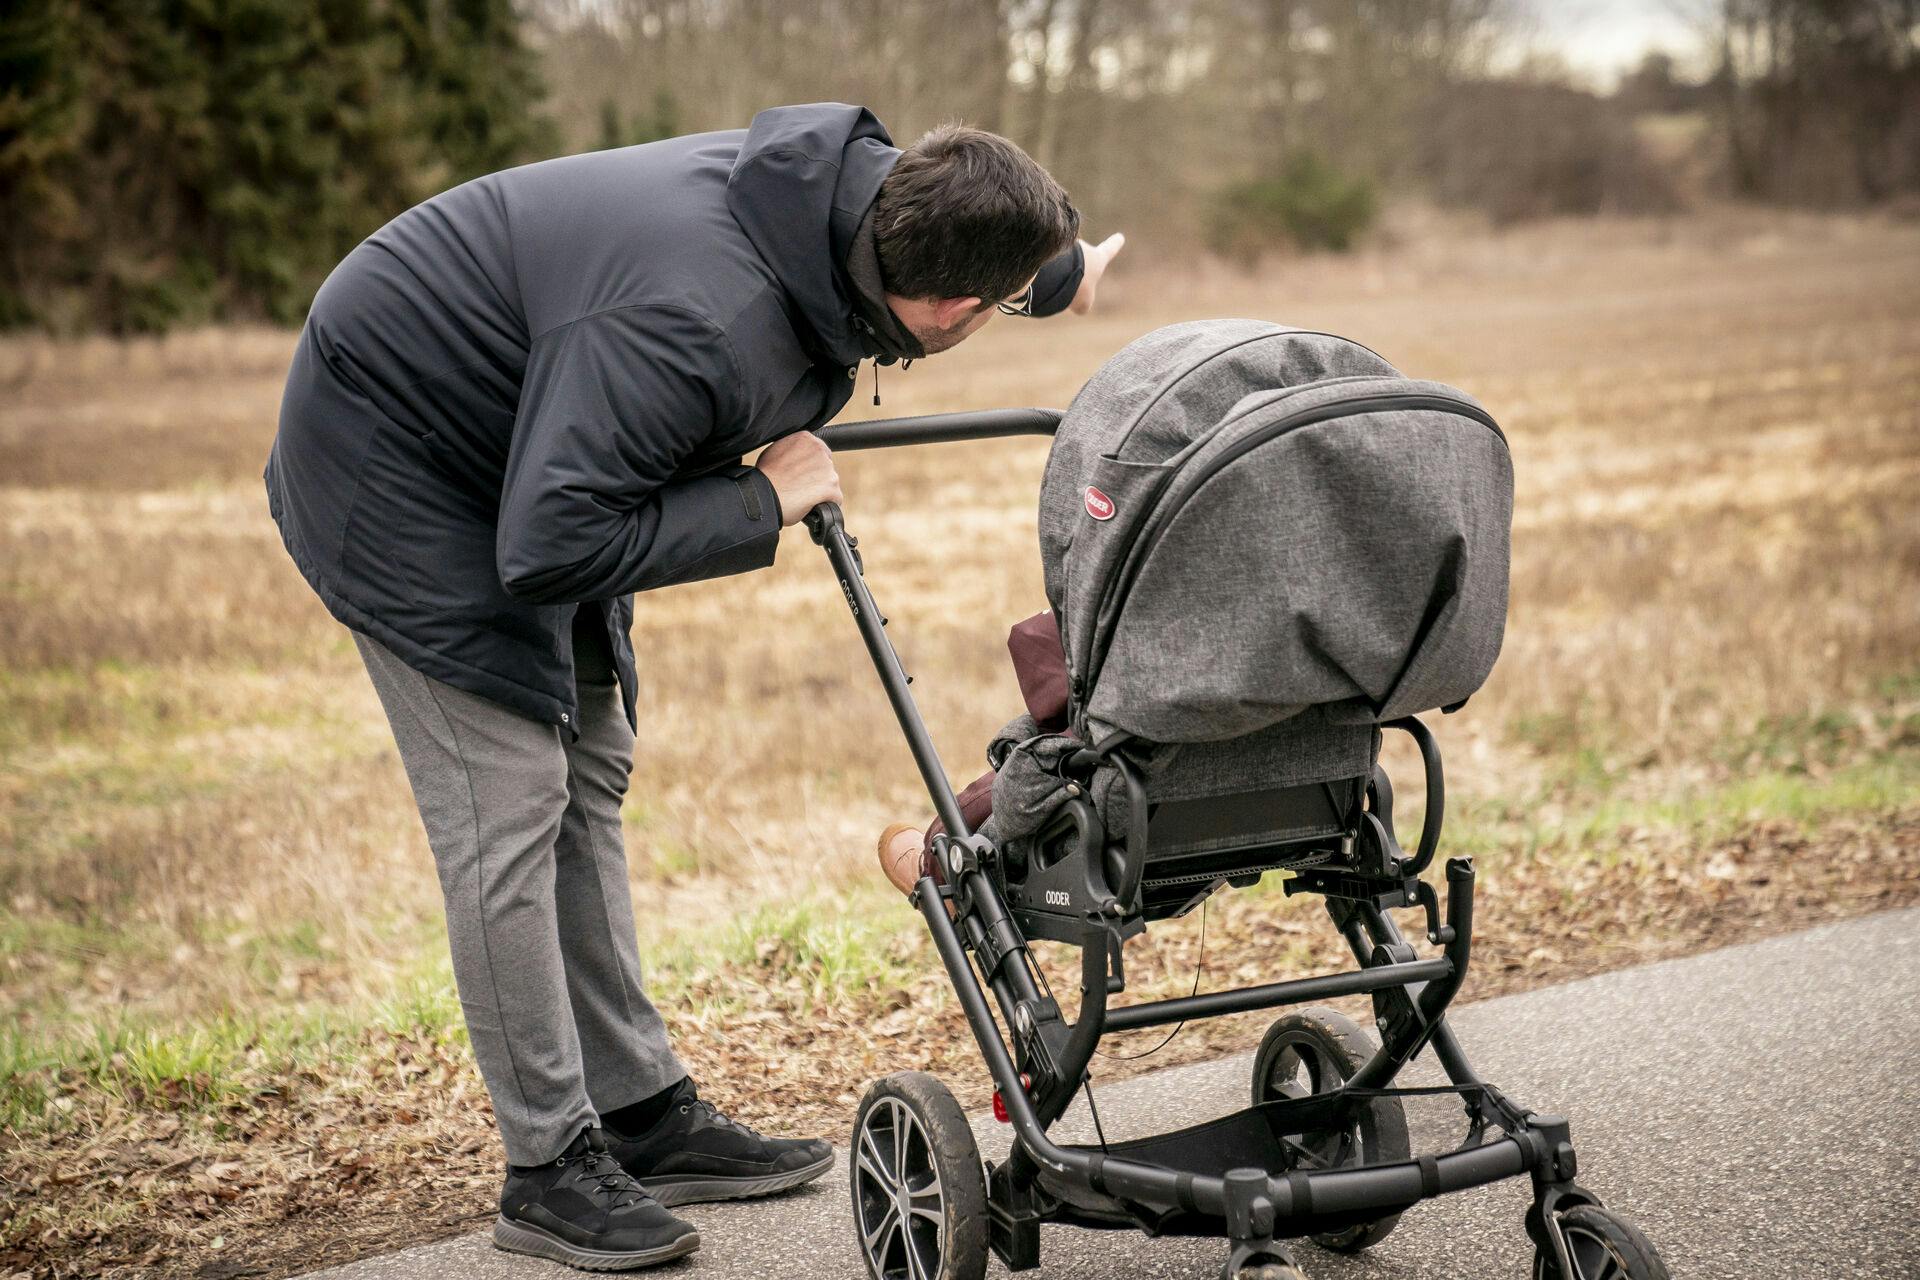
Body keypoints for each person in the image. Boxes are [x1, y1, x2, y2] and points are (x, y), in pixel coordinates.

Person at [263, 103, 1122, 1271]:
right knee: (509, 799)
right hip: (401, 454)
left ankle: (641, 1113)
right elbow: (546, 544)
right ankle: (547, 1170)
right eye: (1002, 297)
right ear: (944, 306)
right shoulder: (694, 324)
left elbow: (983, 225)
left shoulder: (870, 199)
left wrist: (1065, 270)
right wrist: (764, 502)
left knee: (593, 758)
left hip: (540, 430)